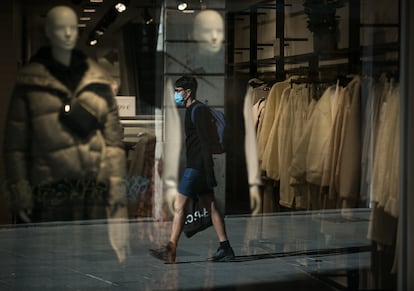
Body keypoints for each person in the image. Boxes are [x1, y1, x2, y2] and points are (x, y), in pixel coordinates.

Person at [3, 5, 129, 261]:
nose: (68, 33)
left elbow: (114, 143)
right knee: (51, 265)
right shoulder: (30, 81)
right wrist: (21, 191)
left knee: (95, 266)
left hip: (94, 191)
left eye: (73, 27)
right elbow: (15, 146)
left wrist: (117, 191)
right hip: (49, 191)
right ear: (49, 31)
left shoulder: (98, 80)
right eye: (61, 27)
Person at [150, 76, 235, 263]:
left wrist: (208, 172)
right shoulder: (193, 110)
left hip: (197, 167)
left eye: (178, 91)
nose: (176, 94)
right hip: (199, 167)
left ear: (188, 92)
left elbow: (204, 142)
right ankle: (226, 248)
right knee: (211, 207)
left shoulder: (197, 111)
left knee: (179, 206)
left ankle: (170, 249)